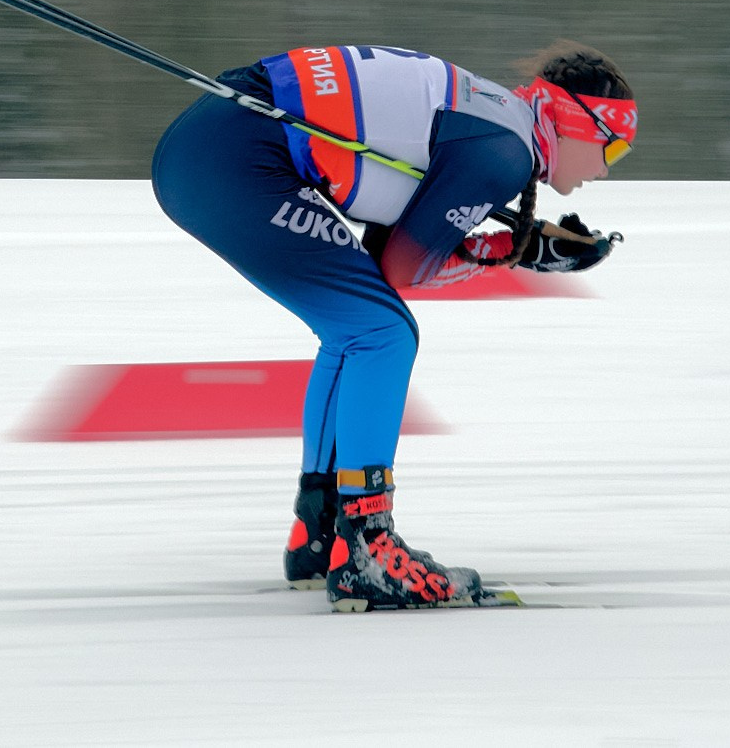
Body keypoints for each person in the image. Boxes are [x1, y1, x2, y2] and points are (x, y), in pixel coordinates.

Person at [149, 39, 634, 611]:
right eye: (616, 149)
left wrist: (518, 246)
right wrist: (517, 251)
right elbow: (405, 266)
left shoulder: (495, 117)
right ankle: (367, 550)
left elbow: (388, 251)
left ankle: (321, 530)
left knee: (360, 326)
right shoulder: (502, 150)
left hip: (215, 149)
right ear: (576, 122)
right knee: (384, 333)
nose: (605, 170)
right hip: (237, 161)